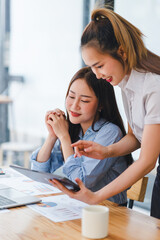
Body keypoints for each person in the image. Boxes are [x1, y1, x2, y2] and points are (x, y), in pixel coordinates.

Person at [49, 8, 160, 219]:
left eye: (99, 66)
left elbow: (147, 161)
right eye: (92, 68)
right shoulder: (127, 84)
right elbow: (136, 137)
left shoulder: (153, 87)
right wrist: (106, 151)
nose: (97, 76)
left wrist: (95, 196)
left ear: (122, 52)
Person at [31, 67, 133, 205]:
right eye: (71, 97)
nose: (74, 106)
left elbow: (80, 182)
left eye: (84, 101)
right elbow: (39, 172)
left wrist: (64, 137)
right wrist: (52, 136)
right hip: (78, 206)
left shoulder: (110, 132)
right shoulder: (76, 129)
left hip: (109, 211)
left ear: (101, 105)